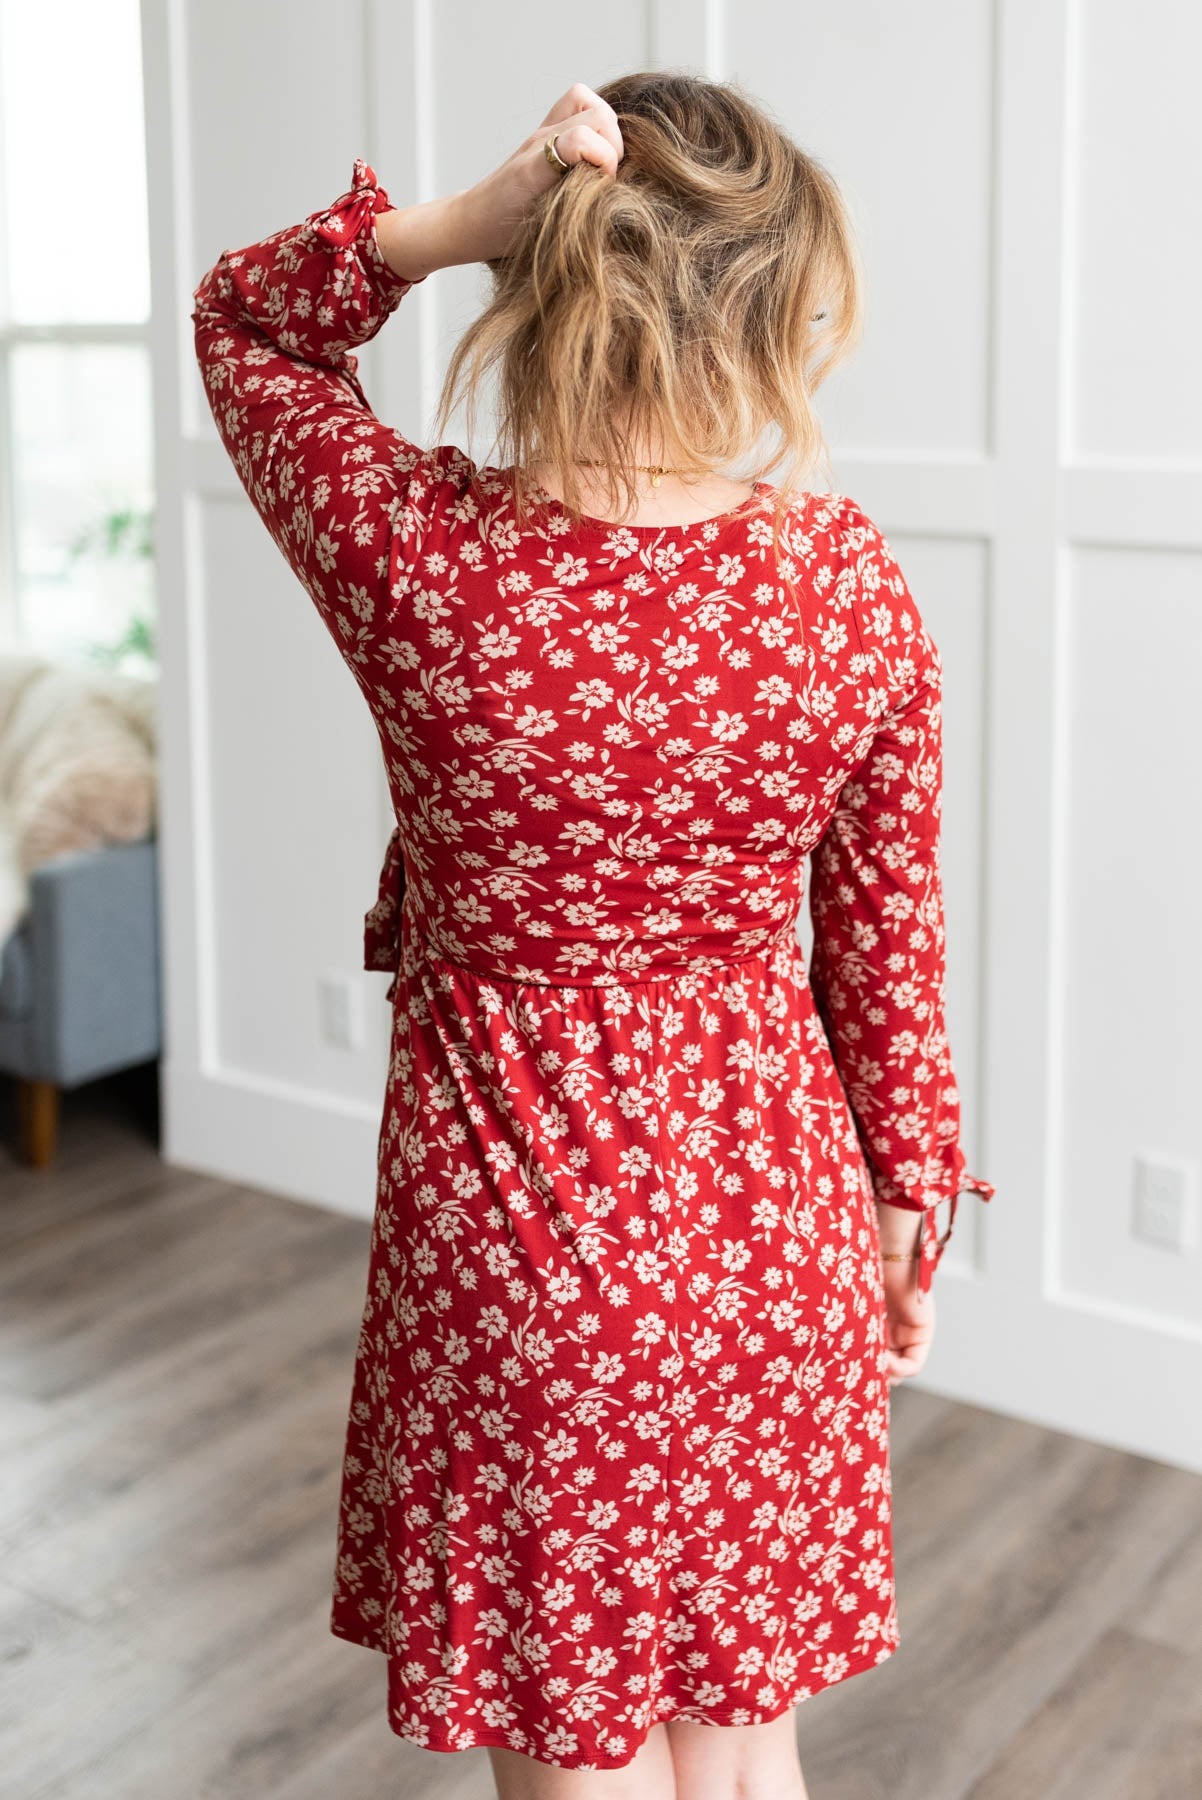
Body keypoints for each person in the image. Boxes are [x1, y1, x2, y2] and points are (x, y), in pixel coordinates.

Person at [192, 70, 994, 1800]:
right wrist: (898, 1216)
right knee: (743, 1735)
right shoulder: (842, 582)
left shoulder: (429, 558)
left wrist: (450, 225)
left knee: (581, 1756)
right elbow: (888, 944)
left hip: (523, 1247)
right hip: (765, 1225)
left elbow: (244, 329)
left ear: (537, 280)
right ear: (780, 308)